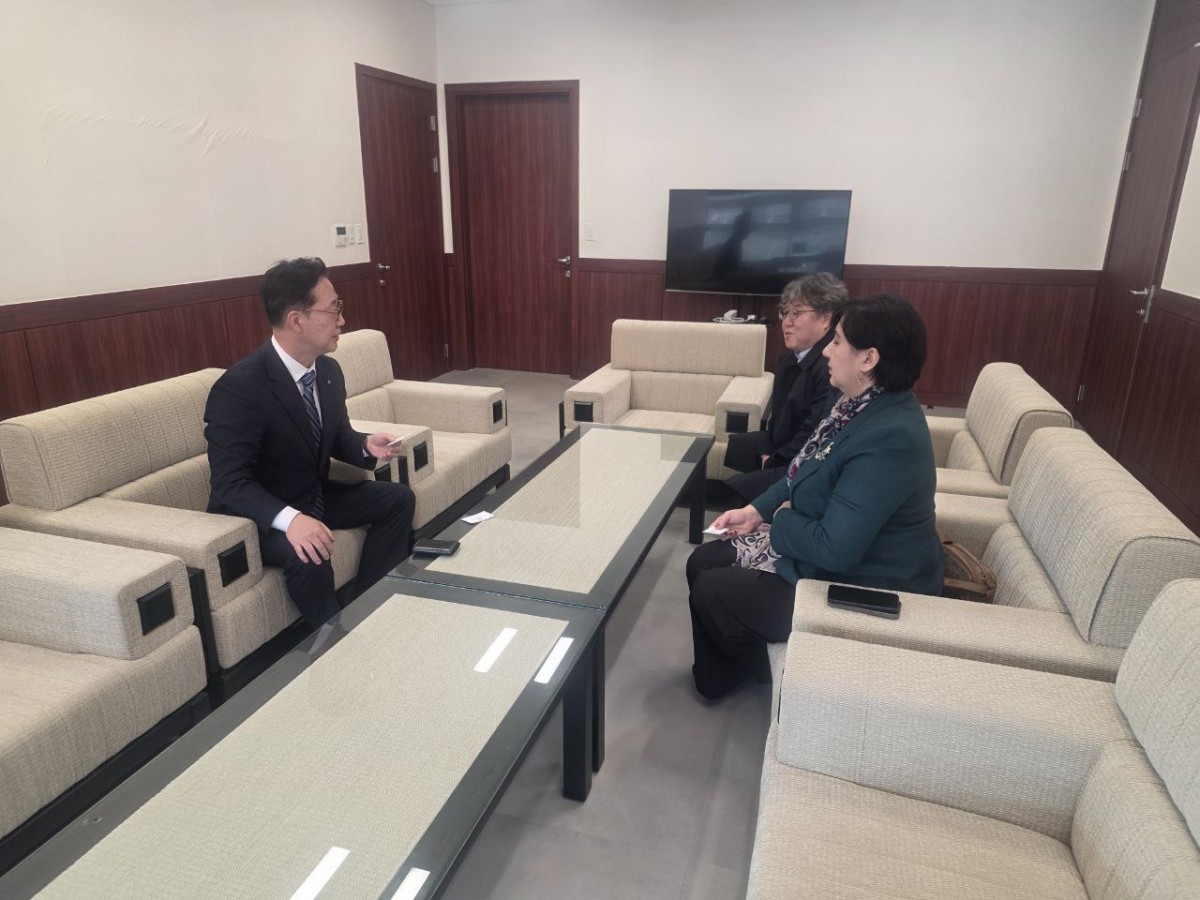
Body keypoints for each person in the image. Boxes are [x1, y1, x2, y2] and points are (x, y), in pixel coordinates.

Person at [686, 293, 943, 700]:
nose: (826, 351)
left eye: (837, 341)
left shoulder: (890, 438)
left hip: (863, 584)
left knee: (712, 587)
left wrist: (782, 519)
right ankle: (739, 664)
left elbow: (833, 549)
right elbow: (800, 472)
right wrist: (755, 511)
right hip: (822, 549)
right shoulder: (853, 406)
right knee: (703, 559)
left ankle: (724, 676)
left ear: (868, 359)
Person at [205, 257, 415, 628]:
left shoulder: (327, 370)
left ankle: (370, 608)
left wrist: (365, 446)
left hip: (311, 495)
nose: (342, 320)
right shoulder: (241, 387)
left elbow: (335, 436)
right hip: (260, 515)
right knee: (309, 551)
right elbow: (230, 483)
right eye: (333, 309)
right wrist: (291, 521)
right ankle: (334, 643)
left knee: (397, 499)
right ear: (296, 320)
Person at [724, 273, 847, 503]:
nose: (786, 322)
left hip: (810, 461)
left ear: (826, 318)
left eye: (796, 313)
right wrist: (770, 448)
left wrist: (775, 459)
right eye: (785, 312)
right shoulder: (791, 357)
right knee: (739, 445)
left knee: (738, 488)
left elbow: (814, 432)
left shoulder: (830, 367)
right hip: (788, 442)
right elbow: (780, 419)